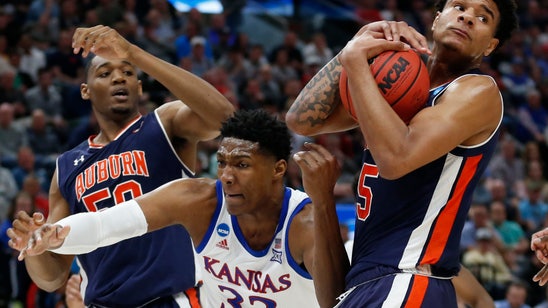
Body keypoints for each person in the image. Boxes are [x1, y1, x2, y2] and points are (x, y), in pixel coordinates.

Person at [285, 0, 518, 306]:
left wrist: (356, 62)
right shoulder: (393, 84)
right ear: (435, 21)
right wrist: (355, 46)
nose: (467, 17)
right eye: (459, 6)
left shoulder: (477, 91)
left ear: (490, 46)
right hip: (369, 281)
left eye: (483, 17)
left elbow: (396, 160)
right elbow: (301, 119)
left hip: (409, 280)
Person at [9, 109, 349, 308]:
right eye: (222, 163)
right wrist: (54, 235)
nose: (227, 177)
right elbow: (104, 225)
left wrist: (324, 205)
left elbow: (337, 299)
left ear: (278, 169)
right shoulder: (199, 200)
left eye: (242, 165)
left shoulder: (303, 222)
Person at [7, 25, 234, 307]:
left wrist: (134, 53)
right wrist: (34, 247)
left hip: (172, 297)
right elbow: (52, 278)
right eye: (105, 73)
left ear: (139, 87)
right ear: (85, 91)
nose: (118, 78)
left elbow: (226, 119)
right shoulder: (66, 166)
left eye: (128, 72)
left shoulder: (164, 123)